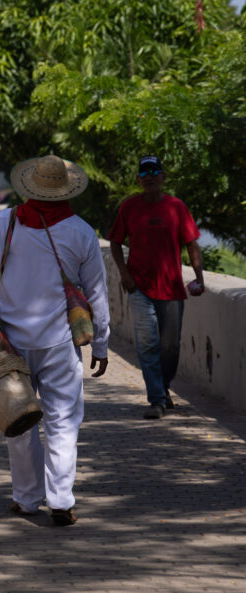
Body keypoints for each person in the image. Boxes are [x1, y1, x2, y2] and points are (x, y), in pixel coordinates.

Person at [0, 154, 109, 527]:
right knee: (63, 420)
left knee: (21, 418)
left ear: (30, 187)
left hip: (10, 341)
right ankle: (61, 501)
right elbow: (96, 294)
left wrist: (3, 290)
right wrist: (102, 344)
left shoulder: (4, 222)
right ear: (66, 189)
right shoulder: (81, 231)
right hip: (61, 341)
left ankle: (27, 500)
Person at [109, 154, 204, 420]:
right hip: (139, 287)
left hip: (172, 288)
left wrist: (200, 276)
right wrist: (124, 273)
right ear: (139, 180)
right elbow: (115, 242)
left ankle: (163, 388)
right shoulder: (129, 208)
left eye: (154, 172)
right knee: (148, 344)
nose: (149, 176)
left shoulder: (176, 207)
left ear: (163, 177)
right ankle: (157, 400)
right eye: (144, 173)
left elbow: (192, 244)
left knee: (170, 347)